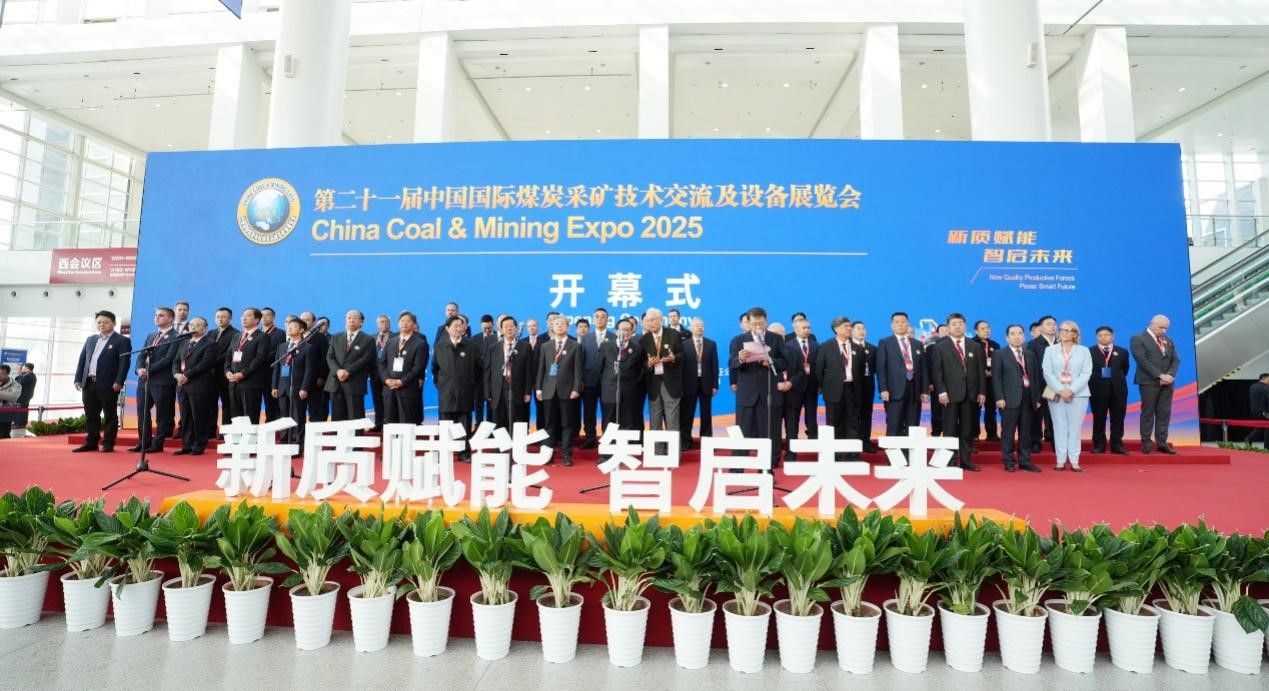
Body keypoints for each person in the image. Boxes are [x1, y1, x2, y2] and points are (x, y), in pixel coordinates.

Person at [730, 307, 786, 465]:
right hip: (747, 394)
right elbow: (732, 363)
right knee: (743, 432)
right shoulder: (738, 340)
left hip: (768, 393)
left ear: (766, 321)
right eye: (755, 324)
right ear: (748, 323)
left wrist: (772, 362)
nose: (758, 327)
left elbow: (785, 362)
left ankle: (769, 465)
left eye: (761, 323)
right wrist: (740, 358)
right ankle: (738, 466)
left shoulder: (775, 339)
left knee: (770, 431)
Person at [930, 313, 985, 471]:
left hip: (970, 394)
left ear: (965, 325)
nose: (957, 326)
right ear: (948, 327)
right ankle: (950, 460)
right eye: (954, 324)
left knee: (967, 430)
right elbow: (937, 372)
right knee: (949, 429)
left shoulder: (975, 346)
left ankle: (966, 461)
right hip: (949, 394)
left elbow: (981, 372)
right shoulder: (940, 346)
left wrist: (982, 392)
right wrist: (941, 392)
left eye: (960, 323)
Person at [72, 310, 132, 453]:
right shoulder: (91, 339)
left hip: (109, 384)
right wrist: (78, 378)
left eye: (105, 322)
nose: (102, 325)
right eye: (99, 322)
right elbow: (82, 360)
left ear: (114, 323)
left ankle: (108, 443)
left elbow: (124, 363)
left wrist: (119, 381)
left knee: (109, 415)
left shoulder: (122, 340)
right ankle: (91, 442)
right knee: (91, 415)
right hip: (89, 383)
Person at [992, 324, 1042, 472]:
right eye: (1013, 334)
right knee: (1008, 432)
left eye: (1020, 333)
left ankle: (1025, 461)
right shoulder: (1000, 354)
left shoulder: (1030, 354)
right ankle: (1008, 461)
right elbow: (996, 378)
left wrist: (1037, 398)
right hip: (1009, 399)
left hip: (1028, 398)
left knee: (1026, 432)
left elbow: (1035, 378)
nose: (1017, 336)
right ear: (1007, 337)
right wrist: (999, 397)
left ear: (1024, 336)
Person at [1044, 321, 1093, 471]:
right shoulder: (1050, 350)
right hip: (1056, 393)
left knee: (1075, 428)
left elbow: (1086, 373)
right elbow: (1047, 373)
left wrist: (1071, 390)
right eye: (1062, 330)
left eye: (1069, 330)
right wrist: (1061, 390)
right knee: (1059, 427)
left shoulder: (1084, 351)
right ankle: (1060, 460)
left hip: (1078, 394)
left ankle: (1074, 460)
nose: (1065, 333)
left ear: (1075, 334)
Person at [433, 315, 482, 462]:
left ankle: (463, 452)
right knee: (445, 423)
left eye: (461, 325)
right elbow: (435, 369)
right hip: (446, 391)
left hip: (465, 391)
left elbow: (478, 369)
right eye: (455, 326)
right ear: (447, 328)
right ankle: (444, 451)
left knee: (464, 423)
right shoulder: (440, 346)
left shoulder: (471, 346)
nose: (459, 328)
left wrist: (471, 383)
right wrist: (441, 385)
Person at [536, 315, 583, 466]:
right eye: (556, 324)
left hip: (567, 390)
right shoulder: (546, 346)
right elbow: (541, 369)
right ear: (552, 327)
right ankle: (548, 455)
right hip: (548, 389)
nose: (559, 326)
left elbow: (578, 370)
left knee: (567, 424)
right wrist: (538, 388)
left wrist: (576, 388)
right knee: (549, 424)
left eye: (562, 324)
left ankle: (567, 455)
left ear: (567, 327)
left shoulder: (575, 346)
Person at [131, 306, 179, 453]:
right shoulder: (151, 335)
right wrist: (139, 369)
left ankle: (158, 443)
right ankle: (144, 442)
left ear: (170, 318)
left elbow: (169, 358)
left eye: (161, 315)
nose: (157, 318)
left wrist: (148, 370)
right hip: (144, 381)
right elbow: (142, 355)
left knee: (162, 415)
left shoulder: (176, 336)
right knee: (142, 412)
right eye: (156, 315)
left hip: (162, 381)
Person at [1130, 314, 1180, 454]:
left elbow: (1175, 360)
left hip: (1167, 383)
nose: (1164, 330)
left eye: (1166, 328)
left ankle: (1162, 443)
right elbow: (1142, 360)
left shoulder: (1168, 340)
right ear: (1152, 324)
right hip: (1148, 382)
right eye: (1161, 327)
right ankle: (1146, 443)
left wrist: (1170, 375)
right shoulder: (1138, 338)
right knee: (1148, 412)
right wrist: (1159, 375)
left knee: (1164, 413)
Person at [876, 312, 928, 437]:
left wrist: (925, 390)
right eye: (897, 322)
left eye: (903, 322)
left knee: (913, 425)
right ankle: (893, 449)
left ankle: (911, 449)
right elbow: (881, 368)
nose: (900, 324)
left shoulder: (917, 344)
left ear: (908, 324)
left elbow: (923, 369)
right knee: (894, 424)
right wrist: (883, 389)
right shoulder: (885, 343)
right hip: (894, 390)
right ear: (892, 325)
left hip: (914, 390)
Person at [815, 317, 860, 457]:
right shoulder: (826, 346)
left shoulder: (857, 346)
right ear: (836, 329)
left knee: (853, 421)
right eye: (846, 326)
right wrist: (824, 386)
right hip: (833, 391)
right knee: (834, 422)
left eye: (850, 326)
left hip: (853, 389)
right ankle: (836, 454)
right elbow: (819, 370)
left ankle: (853, 455)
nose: (849, 328)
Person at [172, 317, 217, 455]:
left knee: (199, 416)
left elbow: (206, 363)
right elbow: (176, 361)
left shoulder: (210, 343)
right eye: (191, 325)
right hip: (182, 385)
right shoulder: (184, 342)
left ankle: (199, 444)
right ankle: (186, 444)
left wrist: (186, 375)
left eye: (198, 325)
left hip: (199, 385)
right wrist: (177, 374)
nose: (193, 327)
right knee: (185, 416)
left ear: (205, 328)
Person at [273, 316, 317, 447]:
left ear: (302, 330)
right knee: (284, 416)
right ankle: (284, 441)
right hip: (282, 386)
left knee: (298, 417)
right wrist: (274, 386)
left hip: (298, 387)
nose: (290, 328)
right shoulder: (282, 347)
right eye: (289, 326)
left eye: (294, 326)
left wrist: (304, 388)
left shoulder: (307, 347)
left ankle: (299, 444)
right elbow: (277, 367)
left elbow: (309, 370)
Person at [326, 309, 376, 422]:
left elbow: (366, 359)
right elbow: (329, 357)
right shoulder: (336, 337)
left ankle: (356, 434)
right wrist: (338, 371)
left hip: (355, 382)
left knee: (355, 417)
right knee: (337, 417)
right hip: (336, 382)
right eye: (349, 318)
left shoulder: (368, 340)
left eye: (355, 318)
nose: (351, 321)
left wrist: (348, 371)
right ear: (345, 321)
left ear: (361, 322)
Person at [380, 311, 429, 424]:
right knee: (390, 423)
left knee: (406, 423)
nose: (404, 323)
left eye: (408, 321)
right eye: (402, 321)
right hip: (389, 389)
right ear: (398, 324)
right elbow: (382, 363)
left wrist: (401, 381)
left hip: (408, 389)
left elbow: (418, 367)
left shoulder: (420, 343)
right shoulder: (391, 341)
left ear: (414, 324)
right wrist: (386, 380)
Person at [640, 308, 684, 435]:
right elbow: (641, 362)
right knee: (655, 421)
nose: (650, 323)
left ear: (661, 320)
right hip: (653, 384)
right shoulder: (644, 339)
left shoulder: (674, 334)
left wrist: (673, 358)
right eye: (648, 321)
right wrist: (649, 363)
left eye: (653, 320)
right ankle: (657, 447)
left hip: (671, 382)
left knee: (672, 421)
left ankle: (673, 448)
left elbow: (682, 355)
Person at [1088, 326, 1130, 454]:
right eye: (1100, 335)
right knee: (1099, 418)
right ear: (1096, 337)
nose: (1103, 337)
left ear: (1112, 336)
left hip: (1118, 389)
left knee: (1118, 418)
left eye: (1106, 335)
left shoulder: (1122, 352)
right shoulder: (1089, 351)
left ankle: (1117, 445)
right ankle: (1099, 445)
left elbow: (1125, 369)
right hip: (1097, 389)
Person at [226, 307, 272, 423]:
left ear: (257, 320)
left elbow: (260, 359)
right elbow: (228, 356)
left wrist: (242, 374)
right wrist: (227, 372)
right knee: (236, 418)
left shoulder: (262, 337)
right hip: (233, 383)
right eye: (243, 316)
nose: (244, 318)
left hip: (251, 383)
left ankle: (250, 436)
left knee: (250, 418)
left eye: (248, 316)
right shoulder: (237, 336)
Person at [487, 316, 533, 429]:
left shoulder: (525, 346)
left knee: (516, 419)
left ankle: (515, 440)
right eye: (506, 327)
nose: (509, 329)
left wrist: (527, 392)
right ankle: (501, 441)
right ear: (501, 330)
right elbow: (488, 371)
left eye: (511, 326)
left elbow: (529, 371)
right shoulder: (494, 348)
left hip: (517, 387)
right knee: (499, 420)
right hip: (499, 387)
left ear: (516, 328)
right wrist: (487, 391)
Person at [783, 317, 820, 457]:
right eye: (804, 328)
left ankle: (815, 451)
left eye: (808, 328)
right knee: (793, 420)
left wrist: (820, 384)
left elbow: (819, 366)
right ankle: (791, 452)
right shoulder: (788, 346)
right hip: (794, 388)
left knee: (812, 418)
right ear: (795, 329)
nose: (807, 330)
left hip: (812, 387)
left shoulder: (815, 345)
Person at [600, 319, 645, 432]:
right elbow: (600, 368)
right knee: (609, 418)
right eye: (622, 329)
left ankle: (627, 442)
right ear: (616, 331)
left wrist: (631, 383)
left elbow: (639, 370)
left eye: (628, 330)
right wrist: (608, 382)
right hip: (610, 389)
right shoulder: (606, 346)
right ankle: (610, 442)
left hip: (629, 390)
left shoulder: (637, 349)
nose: (625, 332)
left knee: (628, 419)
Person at [680, 318, 719, 448]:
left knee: (706, 414)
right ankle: (686, 441)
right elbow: (681, 367)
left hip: (706, 383)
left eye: (702, 326)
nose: (700, 328)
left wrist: (715, 385)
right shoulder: (684, 344)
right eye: (697, 326)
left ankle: (707, 442)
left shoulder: (711, 344)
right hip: (689, 384)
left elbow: (715, 365)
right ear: (691, 328)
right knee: (687, 414)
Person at [579, 308, 615, 447]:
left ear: (607, 319)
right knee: (589, 412)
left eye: (603, 317)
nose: (600, 319)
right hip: (589, 380)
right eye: (597, 317)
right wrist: (581, 381)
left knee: (609, 413)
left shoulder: (614, 337)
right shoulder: (585, 338)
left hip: (608, 382)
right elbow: (581, 361)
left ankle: (608, 440)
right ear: (594, 320)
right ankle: (590, 439)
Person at [1028, 315, 1058, 452]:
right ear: (1040, 327)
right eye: (1048, 324)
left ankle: (1056, 442)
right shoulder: (1033, 344)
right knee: (1037, 414)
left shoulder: (1061, 343)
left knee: (1056, 415)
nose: (1052, 326)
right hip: (1039, 385)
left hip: (1057, 386)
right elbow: (1031, 368)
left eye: (1054, 324)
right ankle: (1035, 441)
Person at [971, 320, 1000, 442]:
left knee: (991, 409)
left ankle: (992, 434)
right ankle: (974, 434)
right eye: (983, 328)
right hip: (976, 382)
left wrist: (993, 371)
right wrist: (982, 372)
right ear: (976, 331)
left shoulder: (995, 345)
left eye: (988, 328)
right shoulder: (971, 344)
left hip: (991, 382)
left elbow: (999, 362)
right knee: (974, 409)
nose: (986, 330)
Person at [210, 307, 239, 431]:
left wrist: (209, 361)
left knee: (227, 402)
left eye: (223, 317)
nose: (220, 319)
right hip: (209, 373)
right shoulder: (211, 333)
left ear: (230, 318)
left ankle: (225, 430)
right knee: (210, 402)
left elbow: (229, 354)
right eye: (217, 317)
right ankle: (210, 430)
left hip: (224, 373)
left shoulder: (235, 334)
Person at [851, 321, 877, 451]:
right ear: (851, 331)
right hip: (852, 387)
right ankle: (853, 441)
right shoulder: (847, 347)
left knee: (867, 414)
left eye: (863, 328)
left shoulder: (872, 349)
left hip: (868, 387)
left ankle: (865, 441)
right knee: (852, 414)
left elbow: (876, 369)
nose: (862, 331)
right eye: (858, 328)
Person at [300, 311, 330, 423]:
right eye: (302, 319)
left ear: (314, 322)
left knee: (315, 409)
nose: (304, 322)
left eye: (307, 320)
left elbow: (324, 358)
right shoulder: (298, 337)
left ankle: (317, 432)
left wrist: (321, 376)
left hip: (315, 379)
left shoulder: (320, 338)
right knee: (298, 410)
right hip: (299, 378)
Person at [259, 307, 285, 421]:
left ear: (273, 317)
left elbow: (279, 352)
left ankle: (272, 423)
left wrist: (260, 358)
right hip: (256, 373)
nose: (264, 317)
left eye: (267, 315)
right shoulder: (256, 333)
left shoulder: (280, 333)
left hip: (271, 372)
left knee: (271, 402)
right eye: (262, 315)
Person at [369, 314, 394, 431]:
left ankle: (388, 424)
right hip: (375, 374)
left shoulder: (395, 336)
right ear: (377, 324)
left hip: (390, 374)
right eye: (382, 322)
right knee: (377, 399)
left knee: (389, 401)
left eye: (386, 322)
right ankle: (378, 423)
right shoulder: (371, 338)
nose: (384, 324)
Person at [521, 317, 545, 430]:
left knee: (541, 406)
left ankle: (540, 431)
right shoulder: (522, 342)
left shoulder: (544, 341)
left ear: (538, 327)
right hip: (525, 379)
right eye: (529, 326)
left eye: (534, 325)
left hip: (540, 379)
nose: (531, 328)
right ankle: (524, 431)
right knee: (524, 406)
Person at [13, 363, 36, 437]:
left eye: (22, 367)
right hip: (24, 395)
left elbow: (19, 383)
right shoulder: (29, 375)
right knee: (22, 409)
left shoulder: (29, 375)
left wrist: (19, 373)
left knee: (22, 409)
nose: (21, 368)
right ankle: (19, 423)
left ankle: (20, 424)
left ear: (26, 367)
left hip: (24, 396)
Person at [1248, 373, 1269, 449]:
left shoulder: (1252, 386)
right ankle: (1267, 446)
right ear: (1265, 378)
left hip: (1254, 410)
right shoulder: (1265, 387)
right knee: (1267, 426)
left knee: (1261, 426)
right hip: (1263, 411)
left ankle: (1249, 438)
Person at [0, 365, 21, 439]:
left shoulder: (16, 385)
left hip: (5, 415)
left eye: (2, 373)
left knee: (4, 434)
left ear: (8, 374)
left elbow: (12, 397)